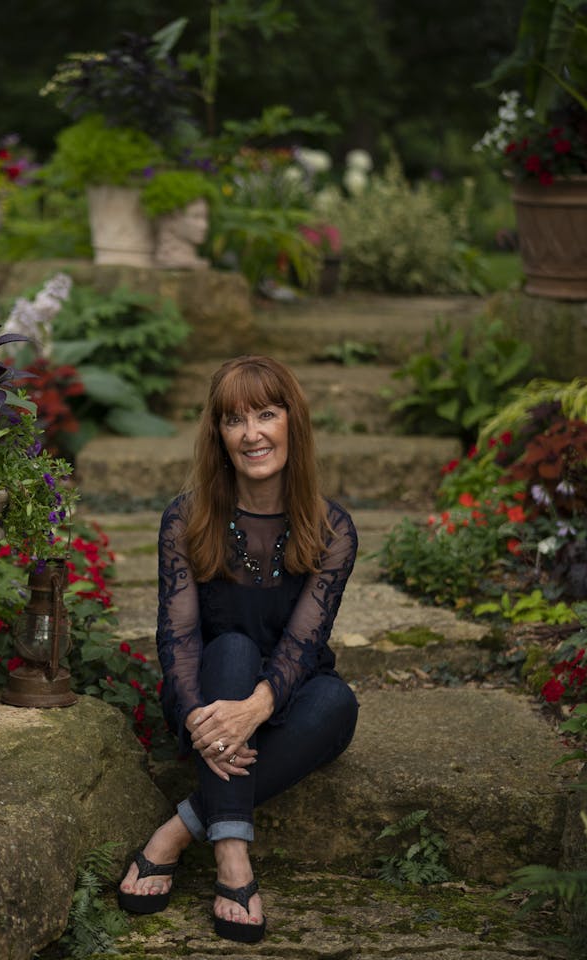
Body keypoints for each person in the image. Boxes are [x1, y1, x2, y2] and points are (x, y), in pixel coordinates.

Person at [116, 355, 359, 943]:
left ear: (292, 424)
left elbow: (304, 647)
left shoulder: (331, 530)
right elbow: (175, 640)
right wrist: (203, 716)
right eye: (234, 420)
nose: (252, 433)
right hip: (203, 695)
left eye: (266, 414)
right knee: (228, 648)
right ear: (219, 436)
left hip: (282, 698)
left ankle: (177, 830)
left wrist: (253, 709)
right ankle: (233, 860)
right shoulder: (187, 518)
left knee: (338, 703)